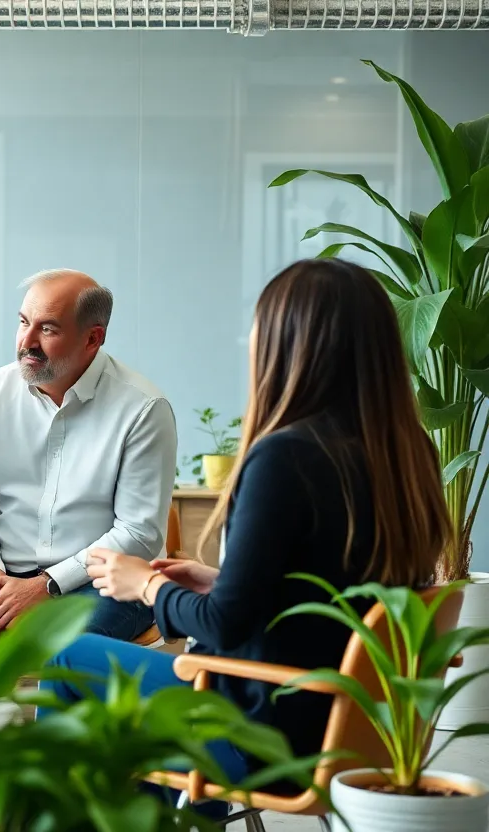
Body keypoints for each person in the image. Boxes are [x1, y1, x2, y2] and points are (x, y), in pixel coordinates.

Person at [44, 258, 450, 795]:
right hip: (360, 731)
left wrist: (145, 583)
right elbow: (338, 593)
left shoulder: (286, 457)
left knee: (70, 658)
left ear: (289, 343)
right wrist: (220, 579)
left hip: (266, 733)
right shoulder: (408, 450)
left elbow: (224, 625)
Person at [0, 269, 176, 655]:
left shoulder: (143, 408)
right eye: (24, 322)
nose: (27, 341)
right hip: (2, 578)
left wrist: (46, 585)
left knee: (75, 652)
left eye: (48, 329)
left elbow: (138, 533)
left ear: (93, 338)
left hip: (109, 583)